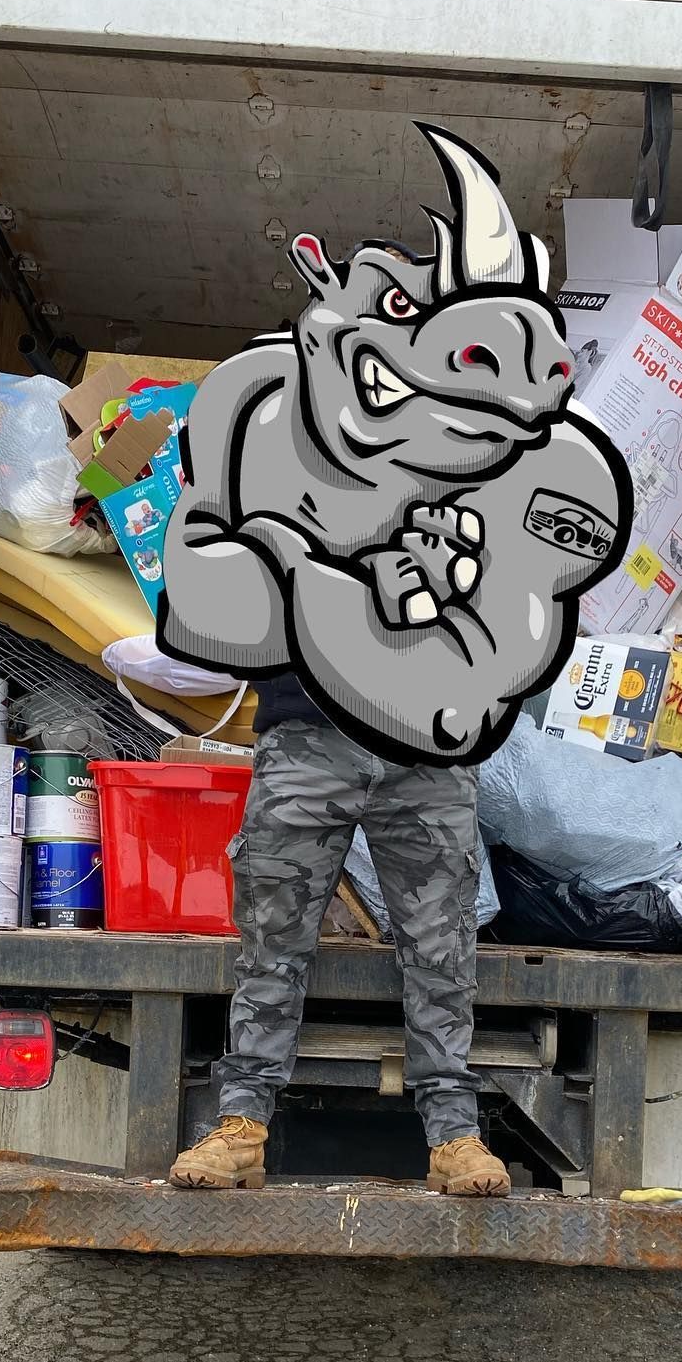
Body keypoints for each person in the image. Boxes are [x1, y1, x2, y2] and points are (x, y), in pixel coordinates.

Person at [167, 242, 510, 1200]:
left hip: (421, 738)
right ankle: (241, 1128)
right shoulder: (281, 431)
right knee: (272, 931)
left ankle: (453, 1136)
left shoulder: (466, 446)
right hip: (305, 729)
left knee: (441, 940)